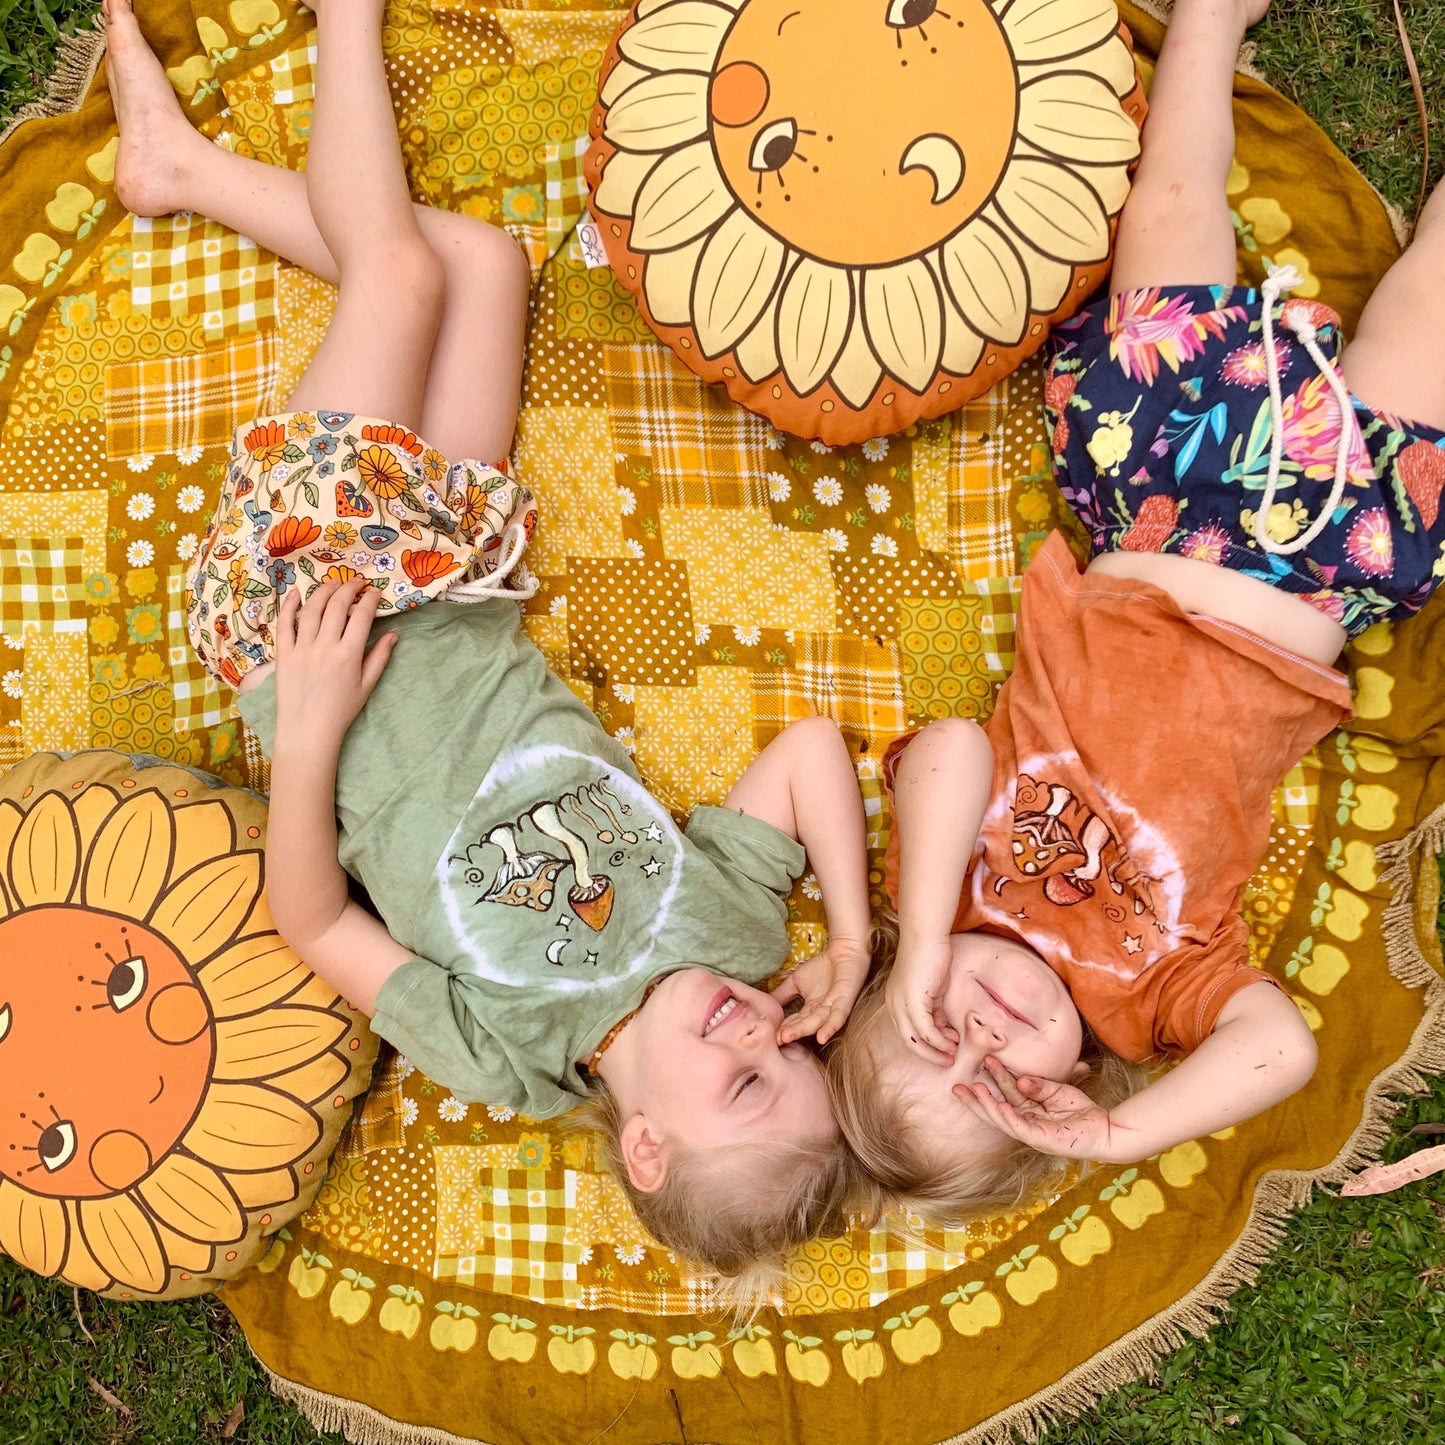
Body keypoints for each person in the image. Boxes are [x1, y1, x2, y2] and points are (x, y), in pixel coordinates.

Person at [101, 0, 875, 1291]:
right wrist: (844, 936)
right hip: (454, 565)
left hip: (305, 616)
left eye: (742, 1085)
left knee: (401, 277)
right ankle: (178, 174)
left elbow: (311, 919)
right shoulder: (739, 935)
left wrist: (313, 726)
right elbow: (803, 754)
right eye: (791, 1059)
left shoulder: (509, 1054)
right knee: (485, 265)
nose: (762, 1034)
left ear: (643, 1145)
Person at [826, 0, 1445, 1222]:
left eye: (932, 1035)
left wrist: (921, 943)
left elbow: (947, 749)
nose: (984, 1034)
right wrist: (1116, 1132)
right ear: (1060, 1086)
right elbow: (1280, 1050)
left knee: (1165, 219)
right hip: (1326, 554)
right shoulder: (1151, 999)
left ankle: (1209, 24)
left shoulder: (941, 888)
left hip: (1153, 488)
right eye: (1000, 1082)